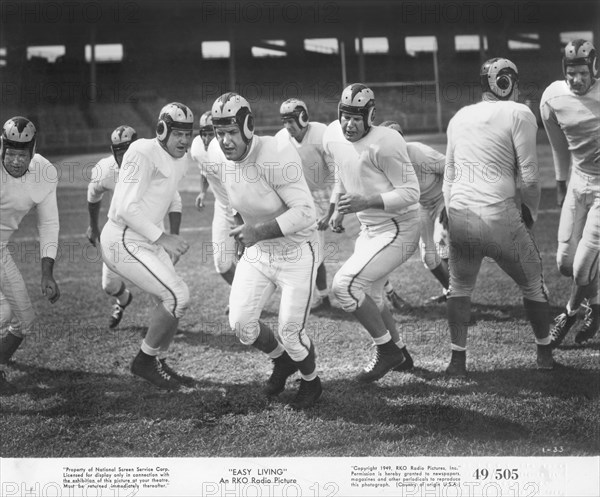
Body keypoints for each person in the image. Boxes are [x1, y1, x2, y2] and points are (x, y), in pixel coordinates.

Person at [208, 92, 322, 409]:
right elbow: (225, 196)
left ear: (247, 126)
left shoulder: (275, 152)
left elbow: (305, 213)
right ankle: (282, 361)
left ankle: (312, 382)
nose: (225, 140)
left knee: (290, 331)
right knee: (242, 324)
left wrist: (256, 231)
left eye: (231, 132)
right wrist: (238, 225)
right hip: (259, 253)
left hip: (297, 251)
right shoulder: (216, 156)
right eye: (219, 133)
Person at [444, 58, 555, 377]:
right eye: (514, 82)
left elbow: (448, 178)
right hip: (499, 215)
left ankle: (457, 362)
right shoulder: (519, 113)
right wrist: (530, 215)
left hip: (461, 214)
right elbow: (531, 178)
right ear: (504, 82)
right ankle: (544, 354)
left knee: (459, 287)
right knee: (533, 282)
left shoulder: (459, 116)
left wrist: (453, 214)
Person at [322, 83, 421, 383]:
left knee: (345, 286)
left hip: (399, 227)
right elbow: (344, 171)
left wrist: (368, 200)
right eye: (345, 116)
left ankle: (386, 350)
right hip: (371, 228)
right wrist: (339, 207)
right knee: (373, 294)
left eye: (356, 118)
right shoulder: (332, 135)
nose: (349, 124)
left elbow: (412, 192)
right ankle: (401, 355)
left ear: (371, 115)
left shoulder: (387, 142)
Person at [100, 103, 193, 390]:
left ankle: (158, 361)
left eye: (188, 134)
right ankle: (144, 360)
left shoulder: (182, 159)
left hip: (145, 239)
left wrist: (165, 237)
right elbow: (126, 208)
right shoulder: (141, 151)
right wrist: (164, 238)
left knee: (172, 301)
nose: (184, 140)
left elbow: (171, 198)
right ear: (162, 130)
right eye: (177, 133)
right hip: (122, 238)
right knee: (177, 296)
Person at [539, 39, 600, 347]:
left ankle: (571, 311)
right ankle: (597, 305)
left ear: (595, 69)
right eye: (571, 73)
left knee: (582, 267)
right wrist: (561, 183)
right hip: (579, 181)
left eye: (582, 73)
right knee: (565, 263)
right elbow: (558, 146)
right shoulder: (552, 97)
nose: (577, 80)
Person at [0, 116, 60, 395]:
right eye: (9, 153)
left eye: (21, 154)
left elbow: (48, 224)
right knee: (3, 313)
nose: (14, 161)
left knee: (24, 320)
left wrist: (47, 272)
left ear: (33, 151)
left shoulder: (44, 173)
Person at [380, 120, 450, 304]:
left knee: (442, 244)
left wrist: (450, 203)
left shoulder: (420, 153)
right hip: (423, 205)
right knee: (428, 256)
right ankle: (450, 291)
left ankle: (457, 295)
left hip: (443, 198)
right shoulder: (385, 163)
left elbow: (452, 169)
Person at [275, 98, 332, 312]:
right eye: (284, 121)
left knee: (364, 238)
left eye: (291, 120)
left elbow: (339, 172)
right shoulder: (282, 139)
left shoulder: (321, 134)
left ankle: (388, 289)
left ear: (303, 117)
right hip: (306, 197)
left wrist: (333, 211)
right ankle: (323, 297)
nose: (287, 126)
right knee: (311, 247)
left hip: (333, 190)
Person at [190, 111, 237, 314]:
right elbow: (204, 168)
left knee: (248, 258)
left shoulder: (227, 151)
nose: (208, 138)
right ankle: (241, 292)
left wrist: (242, 217)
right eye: (204, 133)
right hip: (221, 205)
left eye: (212, 132)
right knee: (222, 264)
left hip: (242, 207)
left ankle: (243, 299)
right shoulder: (197, 148)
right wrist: (202, 191)